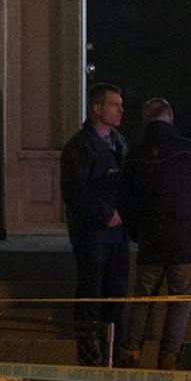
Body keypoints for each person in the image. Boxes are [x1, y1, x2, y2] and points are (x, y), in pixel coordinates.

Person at [116, 98, 191, 370]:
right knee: (180, 301)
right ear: (170, 118)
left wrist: (136, 232)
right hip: (187, 240)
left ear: (145, 121)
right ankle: (168, 357)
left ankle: (130, 351)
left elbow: (125, 200)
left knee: (142, 298)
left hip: (151, 241)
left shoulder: (135, 156)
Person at [59, 82, 129, 366]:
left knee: (116, 294)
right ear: (97, 108)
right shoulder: (79, 146)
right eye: (114, 104)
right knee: (91, 293)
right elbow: (74, 190)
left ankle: (114, 352)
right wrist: (104, 213)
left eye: (121, 105)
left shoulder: (120, 143)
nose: (120, 110)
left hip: (117, 234)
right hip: (92, 234)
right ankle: (89, 354)